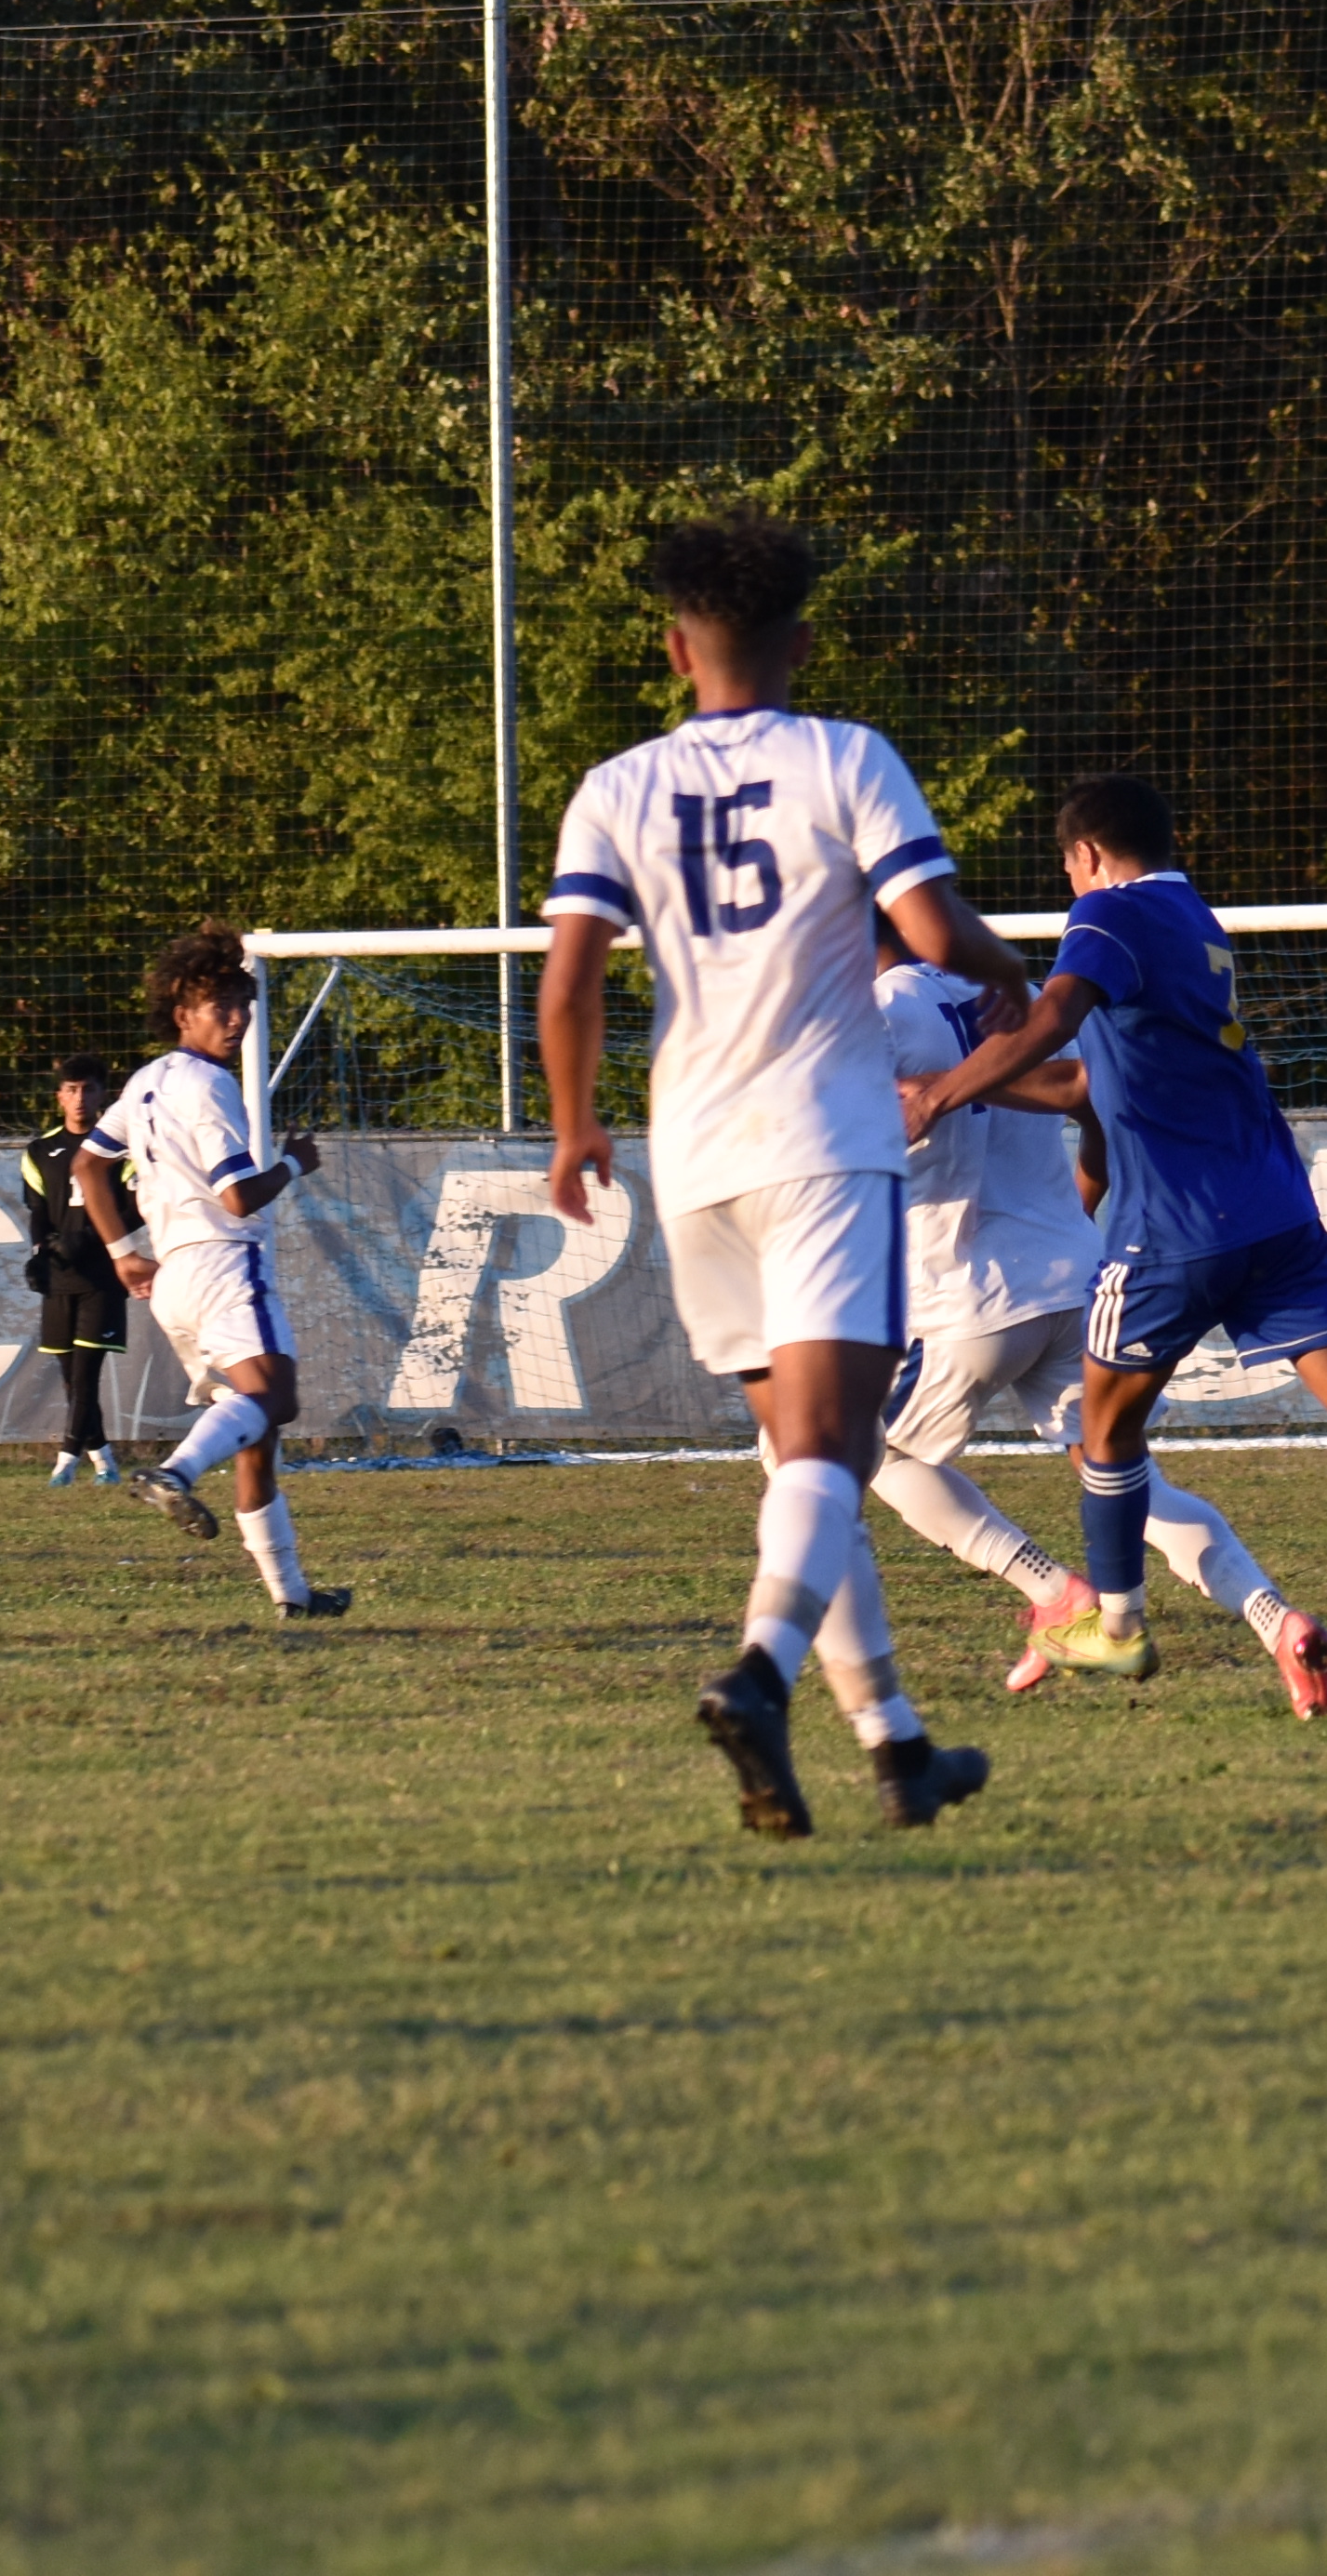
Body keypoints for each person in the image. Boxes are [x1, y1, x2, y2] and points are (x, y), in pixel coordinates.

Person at [544, 515, 1015, 1836]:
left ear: (673, 648)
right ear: (802, 643)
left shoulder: (615, 787)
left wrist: (575, 1127)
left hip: (693, 1155)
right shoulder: (845, 756)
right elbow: (931, 931)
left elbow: (569, 981)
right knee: (832, 1450)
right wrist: (1015, 975)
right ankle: (760, 1674)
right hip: (821, 1142)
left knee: (805, 1462)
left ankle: (896, 1746)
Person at [904, 771, 1327, 1668]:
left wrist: (937, 1096)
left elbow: (1057, 1017)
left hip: (1173, 1229)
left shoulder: (1107, 913)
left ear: (1087, 855)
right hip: (1277, 1211)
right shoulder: (1195, 923)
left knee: (1105, 1436)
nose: (1069, 884)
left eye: (1066, 866)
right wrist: (954, 1090)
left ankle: (1115, 1628)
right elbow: (1084, 1082)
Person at [875, 911, 1327, 1717]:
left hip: (964, 1298)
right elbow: (1095, 1108)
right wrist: (1071, 1217)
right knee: (1130, 1483)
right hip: (1073, 1278)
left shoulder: (874, 1012)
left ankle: (1053, 1593)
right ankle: (1279, 1622)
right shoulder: (1018, 996)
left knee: (845, 1449)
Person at [76, 928, 348, 1630]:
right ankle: (174, 1473)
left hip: (172, 1280)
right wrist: (295, 1163)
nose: (236, 1020)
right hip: (225, 1263)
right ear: (183, 1014)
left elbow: (87, 1165)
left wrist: (121, 1252)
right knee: (276, 1401)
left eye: (242, 1005)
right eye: (219, 1007)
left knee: (256, 1438)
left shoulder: (143, 1083)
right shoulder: (211, 1084)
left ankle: (292, 1596)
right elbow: (236, 1198)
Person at [20, 1054, 132, 1483]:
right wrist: (39, 1254)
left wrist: (89, 1238)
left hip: (102, 1277)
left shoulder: (121, 1148)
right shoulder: (40, 1151)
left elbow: (135, 1209)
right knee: (71, 1381)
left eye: (88, 1089)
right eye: (71, 1090)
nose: (80, 1097)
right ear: (59, 1098)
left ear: (104, 1095)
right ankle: (104, 1462)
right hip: (60, 1278)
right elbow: (38, 1212)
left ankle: (65, 1463)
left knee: (86, 1376)